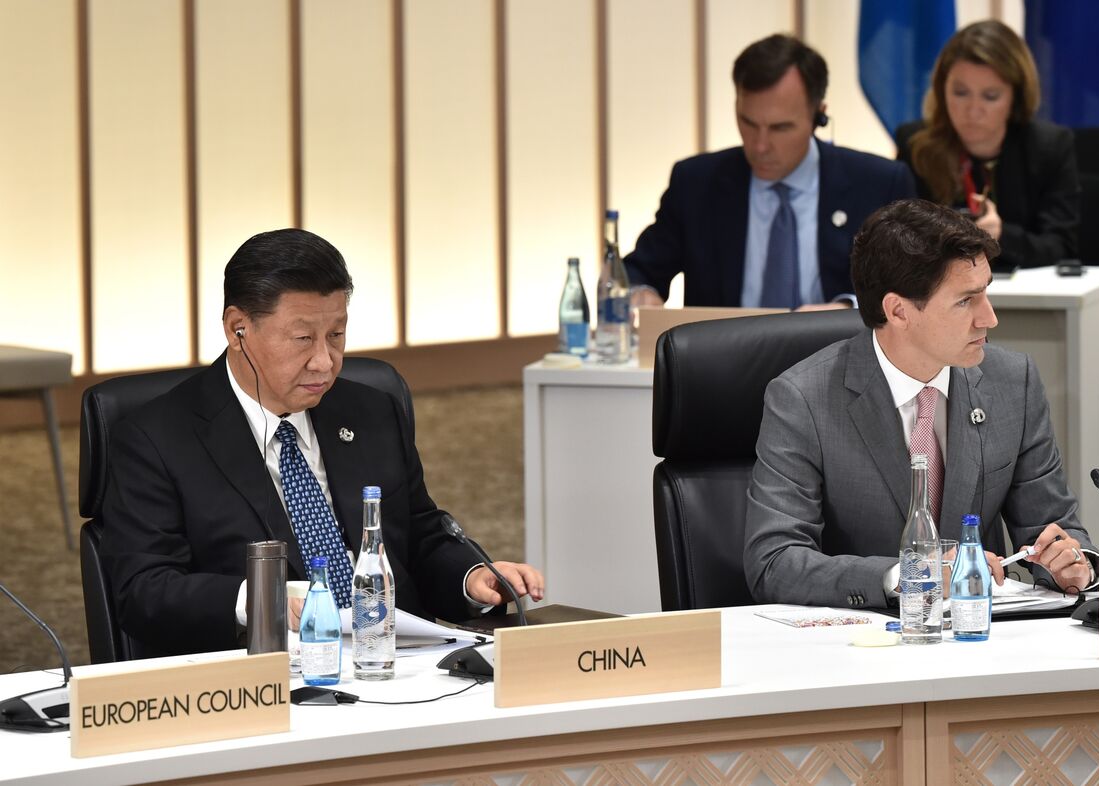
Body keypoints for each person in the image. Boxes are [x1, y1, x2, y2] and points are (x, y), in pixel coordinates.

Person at [101, 229, 544, 657]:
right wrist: (260, 600)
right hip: (261, 676)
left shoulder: (372, 411)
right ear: (238, 330)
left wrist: (470, 577)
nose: (324, 361)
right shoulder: (157, 438)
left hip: (391, 661)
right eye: (302, 339)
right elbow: (144, 589)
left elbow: (417, 536)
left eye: (336, 335)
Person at [743, 199, 1099, 609]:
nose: (989, 318)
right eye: (965, 301)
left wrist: (1075, 564)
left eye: (986, 293)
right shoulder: (803, 399)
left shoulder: (1013, 382)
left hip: (982, 633)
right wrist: (911, 576)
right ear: (898, 311)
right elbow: (773, 562)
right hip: (865, 635)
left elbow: (1054, 528)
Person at [625, 34, 915, 310]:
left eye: (780, 127)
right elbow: (636, 273)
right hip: (723, 347)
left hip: (839, 346)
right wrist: (639, 294)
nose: (760, 146)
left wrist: (846, 311)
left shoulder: (879, 184)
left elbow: (912, 288)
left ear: (818, 116)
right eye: (748, 123)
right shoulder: (696, 183)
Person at [895, 20, 1079, 272]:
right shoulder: (915, 145)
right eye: (960, 93)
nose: (973, 110)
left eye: (990, 96)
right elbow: (896, 243)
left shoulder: (1049, 147)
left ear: (1015, 97)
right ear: (941, 90)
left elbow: (1061, 247)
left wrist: (1001, 235)